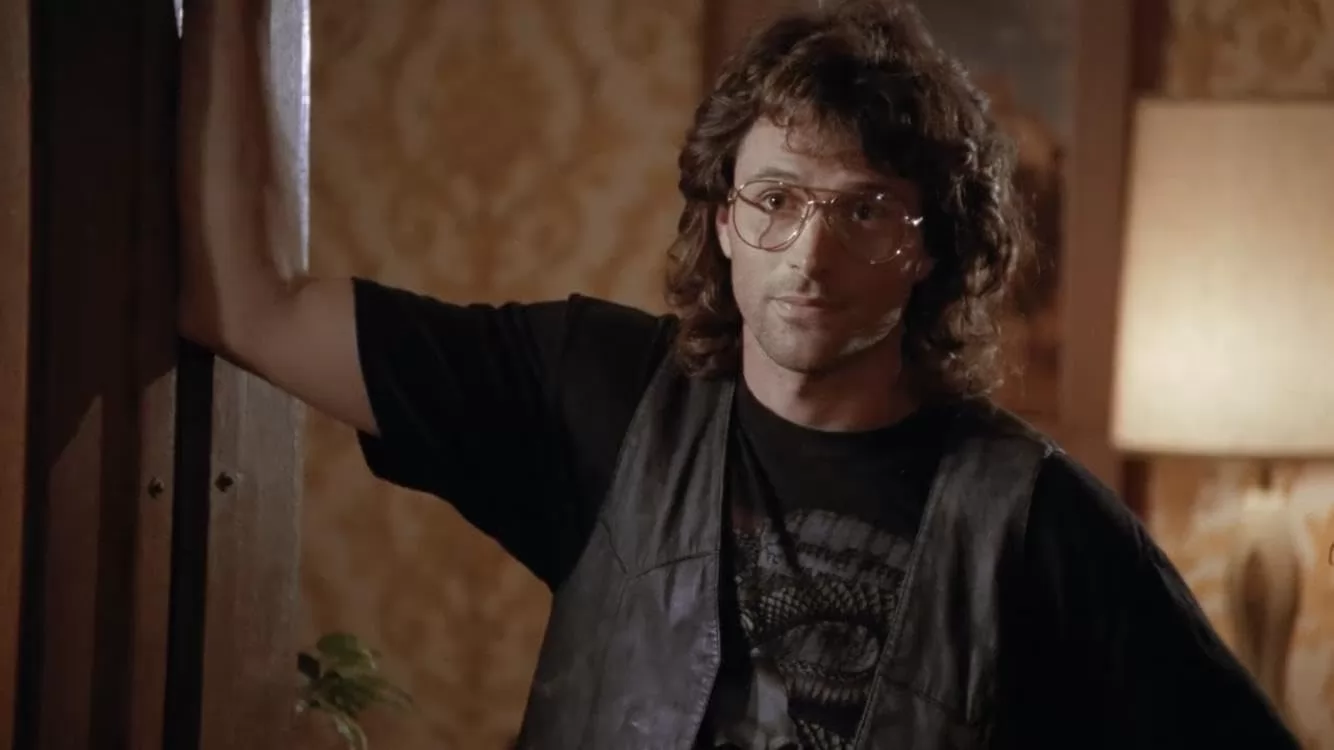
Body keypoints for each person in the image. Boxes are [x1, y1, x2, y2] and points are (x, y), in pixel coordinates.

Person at [178, 0, 1301, 748]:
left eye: (865, 210)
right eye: (775, 200)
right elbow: (246, 305)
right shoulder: (594, 391)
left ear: (930, 248)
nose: (809, 255)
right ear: (723, 220)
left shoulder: (1037, 520)